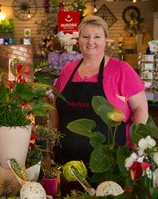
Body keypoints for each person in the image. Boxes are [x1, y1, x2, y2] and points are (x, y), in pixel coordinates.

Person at [52, 15, 148, 165]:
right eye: (86, 36)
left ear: (105, 40)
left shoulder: (121, 70)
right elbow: (55, 107)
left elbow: (141, 108)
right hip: (65, 161)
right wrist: (51, 141)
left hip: (108, 164)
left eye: (97, 36)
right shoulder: (68, 69)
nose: (91, 41)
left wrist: (137, 149)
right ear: (79, 40)